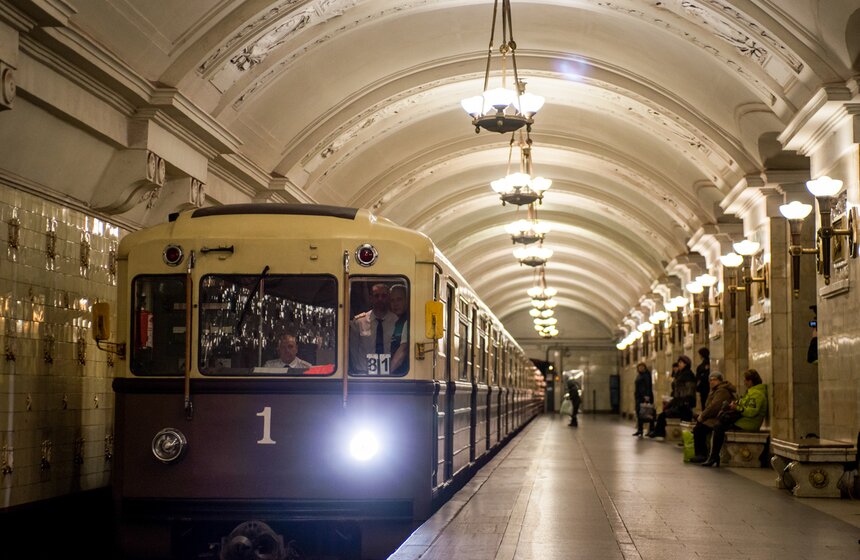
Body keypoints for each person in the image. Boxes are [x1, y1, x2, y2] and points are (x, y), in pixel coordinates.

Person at [702, 369, 768, 467]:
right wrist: (735, 404)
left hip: (749, 423)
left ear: (751, 381)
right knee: (719, 424)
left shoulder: (757, 394)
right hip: (744, 421)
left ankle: (714, 457)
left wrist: (736, 407)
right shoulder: (751, 392)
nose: (744, 383)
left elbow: (751, 412)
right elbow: (743, 403)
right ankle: (714, 456)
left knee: (718, 427)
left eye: (745, 380)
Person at [349, 283, 398, 374]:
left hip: (390, 374)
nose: (380, 299)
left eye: (384, 296)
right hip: (363, 374)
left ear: (388, 298)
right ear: (371, 298)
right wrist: (358, 372)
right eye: (376, 296)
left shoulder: (396, 321)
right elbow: (353, 350)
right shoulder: (359, 322)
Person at [689, 371, 736, 463]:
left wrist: (702, 416)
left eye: (714, 379)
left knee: (699, 429)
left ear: (720, 381)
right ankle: (701, 454)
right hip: (713, 417)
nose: (712, 382)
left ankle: (702, 454)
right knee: (698, 426)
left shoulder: (722, 391)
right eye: (710, 380)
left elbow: (714, 406)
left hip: (718, 418)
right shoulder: (716, 390)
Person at [647, 361, 694, 437]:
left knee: (663, 415)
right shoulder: (679, 375)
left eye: (680, 363)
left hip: (683, 405)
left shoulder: (686, 376)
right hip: (678, 403)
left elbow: (688, 391)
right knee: (662, 414)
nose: (678, 366)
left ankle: (659, 432)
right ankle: (658, 432)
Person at [389, 284, 409, 374]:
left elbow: (402, 351)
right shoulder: (395, 322)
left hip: (402, 375)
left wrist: (387, 374)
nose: (395, 304)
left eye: (399, 299)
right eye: (392, 300)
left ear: (407, 300)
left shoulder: (409, 322)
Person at [632, 362, 654, 436]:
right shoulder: (639, 375)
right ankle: (640, 429)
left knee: (648, 413)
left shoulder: (646, 375)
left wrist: (647, 396)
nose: (640, 368)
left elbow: (648, 386)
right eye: (639, 367)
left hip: (644, 397)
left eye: (642, 367)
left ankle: (651, 430)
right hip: (639, 396)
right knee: (639, 413)